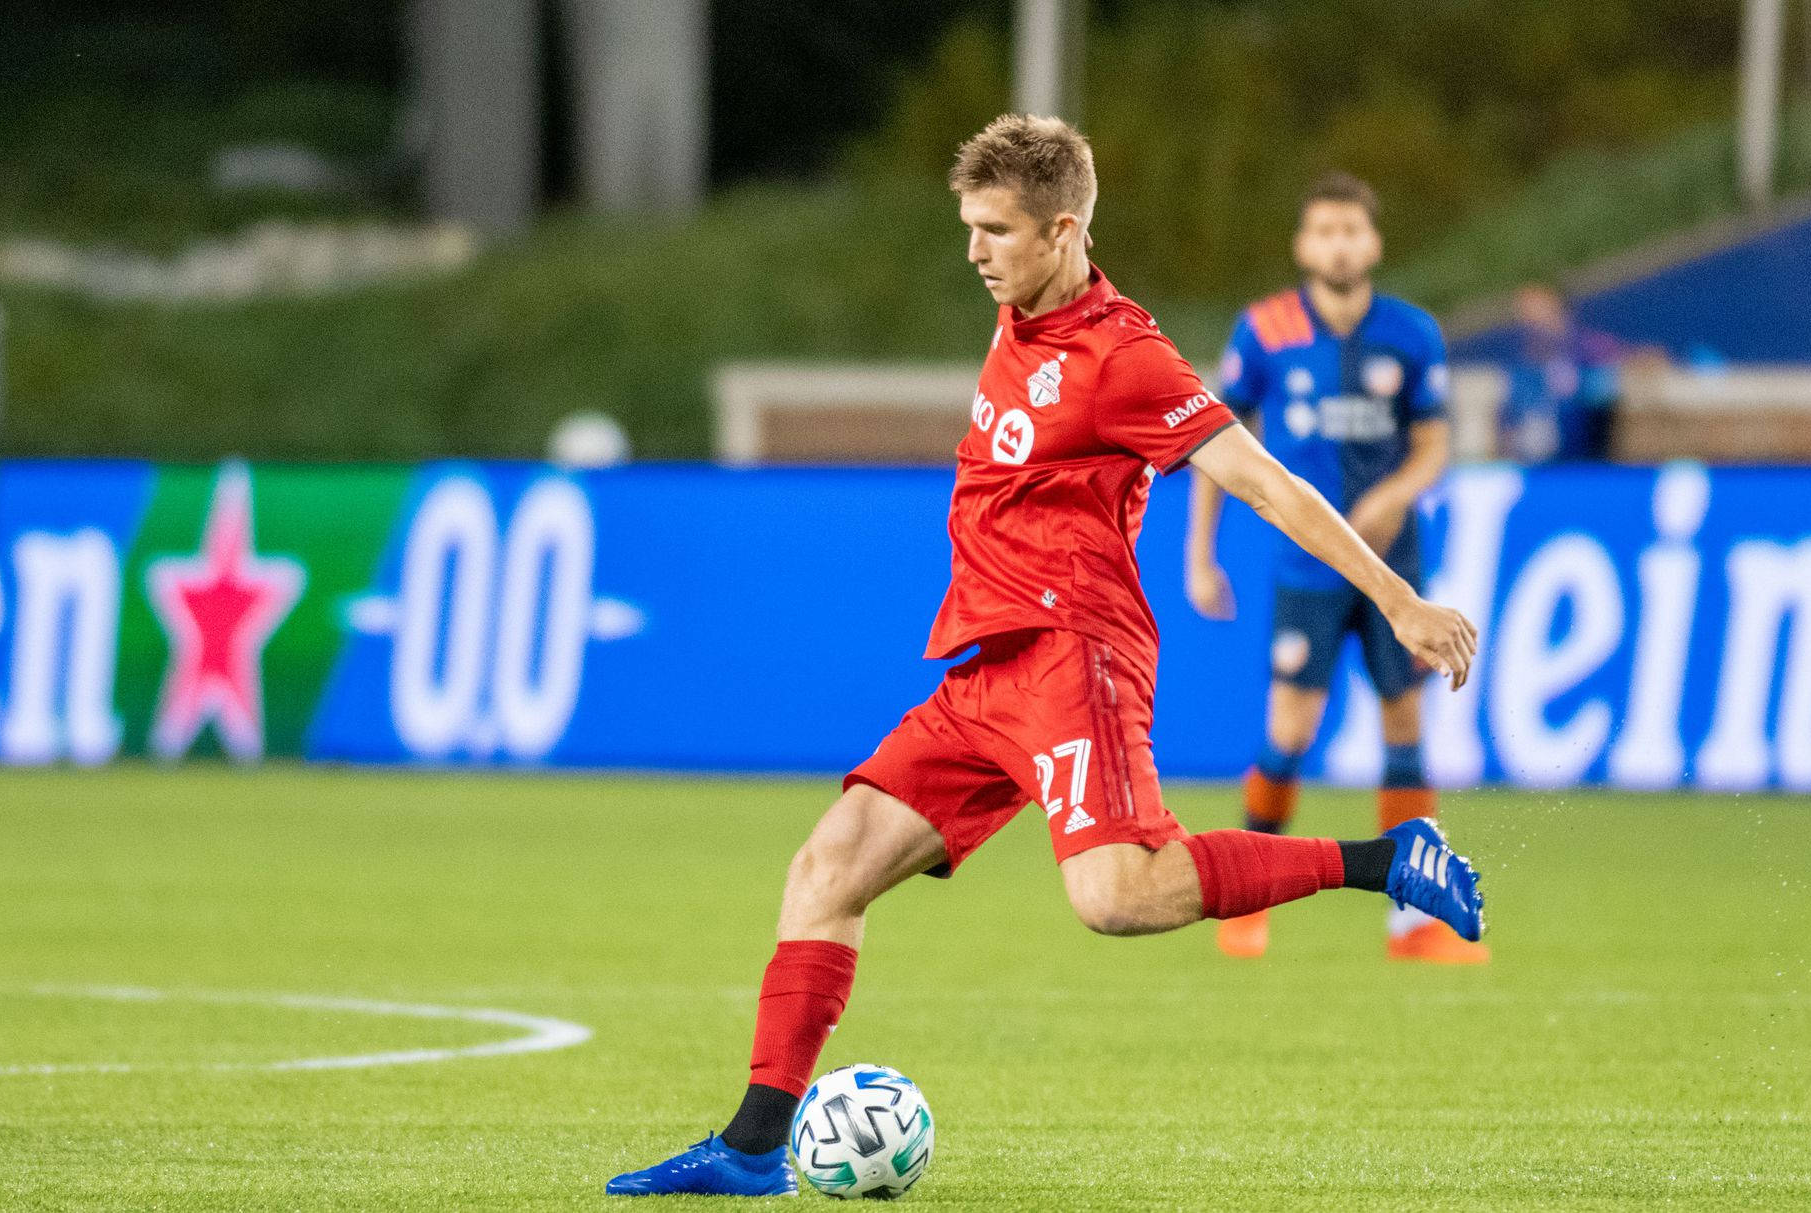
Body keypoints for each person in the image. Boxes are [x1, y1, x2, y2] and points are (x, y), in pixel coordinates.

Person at [609, 118, 1482, 1198]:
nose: (973, 252)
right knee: (825, 869)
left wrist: (1396, 599)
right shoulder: (1011, 315)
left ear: (1063, 231)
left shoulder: (1125, 358)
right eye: (966, 227)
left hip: (1075, 656)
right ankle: (749, 1150)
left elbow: (1265, 482)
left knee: (1116, 897)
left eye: (995, 231)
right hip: (986, 665)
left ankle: (1386, 859)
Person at [1185, 173, 1488, 965]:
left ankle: (1412, 923)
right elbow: (1214, 446)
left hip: (1397, 565)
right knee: (1290, 729)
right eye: (1324, 231)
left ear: (1374, 243)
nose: (1339, 244)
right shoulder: (1264, 330)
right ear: (1302, 245)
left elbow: (1434, 444)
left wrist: (1395, 494)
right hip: (1305, 569)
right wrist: (1200, 554)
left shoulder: (1412, 333)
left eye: (1352, 230)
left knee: (1404, 723)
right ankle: (1245, 903)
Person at [1499, 282, 1623, 463]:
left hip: (1590, 461)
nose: (1529, 322)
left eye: (1537, 312)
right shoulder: (1522, 369)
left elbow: (1630, 366)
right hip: (1538, 468)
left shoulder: (1593, 349)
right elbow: (1509, 424)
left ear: (1558, 310)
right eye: (1524, 314)